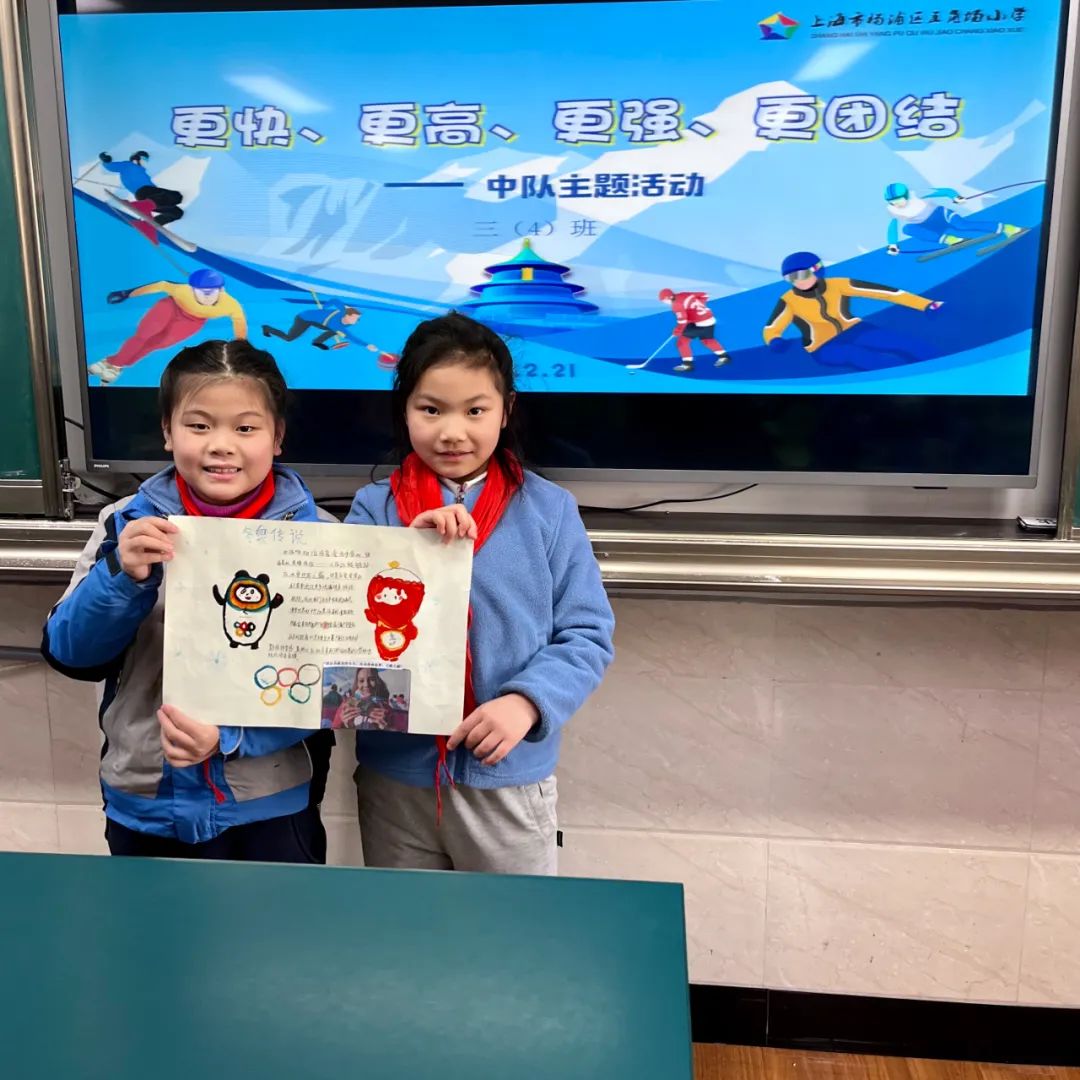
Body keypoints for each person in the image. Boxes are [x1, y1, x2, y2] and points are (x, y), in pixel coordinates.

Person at [42, 339, 334, 862]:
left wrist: (232, 737)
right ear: (167, 431)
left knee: (274, 919)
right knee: (153, 919)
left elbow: (336, 686)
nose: (221, 445)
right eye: (198, 425)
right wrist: (122, 577)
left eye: (245, 428)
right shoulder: (125, 524)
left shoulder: (323, 540)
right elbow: (70, 653)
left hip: (266, 804)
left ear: (277, 437)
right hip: (145, 798)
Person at [345, 311, 615, 875]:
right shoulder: (375, 509)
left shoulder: (549, 510)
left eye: (475, 411)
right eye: (431, 410)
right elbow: (344, 627)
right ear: (404, 409)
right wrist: (405, 553)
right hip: (396, 781)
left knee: (512, 928)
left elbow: (588, 634)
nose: (452, 432)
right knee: (403, 925)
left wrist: (527, 702)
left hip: (507, 777)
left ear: (506, 410)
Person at [763, 251, 944, 370]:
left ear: (816, 270)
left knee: (899, 342)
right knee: (861, 356)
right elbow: (772, 327)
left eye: (802, 274)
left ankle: (942, 365)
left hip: (854, 330)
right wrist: (774, 341)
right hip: (823, 346)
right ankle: (905, 381)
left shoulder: (838, 284)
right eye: (791, 278)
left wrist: (925, 304)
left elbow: (886, 293)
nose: (798, 281)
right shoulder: (789, 300)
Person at [89, 269, 246, 385]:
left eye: (209, 292)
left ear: (221, 290)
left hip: (192, 322)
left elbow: (239, 322)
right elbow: (161, 285)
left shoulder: (231, 305)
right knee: (143, 336)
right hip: (170, 307)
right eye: (199, 291)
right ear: (192, 289)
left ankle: (111, 362)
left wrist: (240, 348)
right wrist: (128, 293)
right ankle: (116, 365)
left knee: (155, 344)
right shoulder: (182, 290)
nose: (204, 296)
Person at [883, 181, 1023, 254]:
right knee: (908, 229)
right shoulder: (892, 209)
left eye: (899, 199)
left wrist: (955, 197)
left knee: (963, 225)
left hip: (940, 215)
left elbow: (945, 191)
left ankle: (1008, 228)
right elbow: (892, 226)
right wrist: (892, 244)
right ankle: (951, 240)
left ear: (906, 195)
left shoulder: (917, 194)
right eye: (892, 201)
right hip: (926, 225)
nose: (897, 203)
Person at [99, 149, 184, 226]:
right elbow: (111, 167)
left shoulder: (143, 171)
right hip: (143, 191)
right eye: (144, 159)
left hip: (148, 197)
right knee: (176, 196)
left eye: (146, 160)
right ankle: (145, 205)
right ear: (136, 158)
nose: (145, 162)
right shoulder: (128, 165)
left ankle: (150, 224)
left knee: (177, 212)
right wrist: (106, 160)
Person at [658, 287, 731, 374]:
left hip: (699, 323)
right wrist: (699, 307)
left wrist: (677, 331)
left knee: (682, 342)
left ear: (669, 297)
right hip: (710, 319)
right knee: (707, 340)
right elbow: (704, 295)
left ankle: (688, 365)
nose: (665, 302)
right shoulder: (683, 294)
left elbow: (682, 321)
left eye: (664, 300)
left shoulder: (676, 305)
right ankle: (725, 357)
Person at [333, 669, 407, 732]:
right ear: (357, 684)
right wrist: (344, 725)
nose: (366, 685)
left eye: (371, 679)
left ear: (377, 681)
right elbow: (334, 731)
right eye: (361, 681)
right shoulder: (346, 705)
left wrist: (386, 729)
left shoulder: (385, 708)